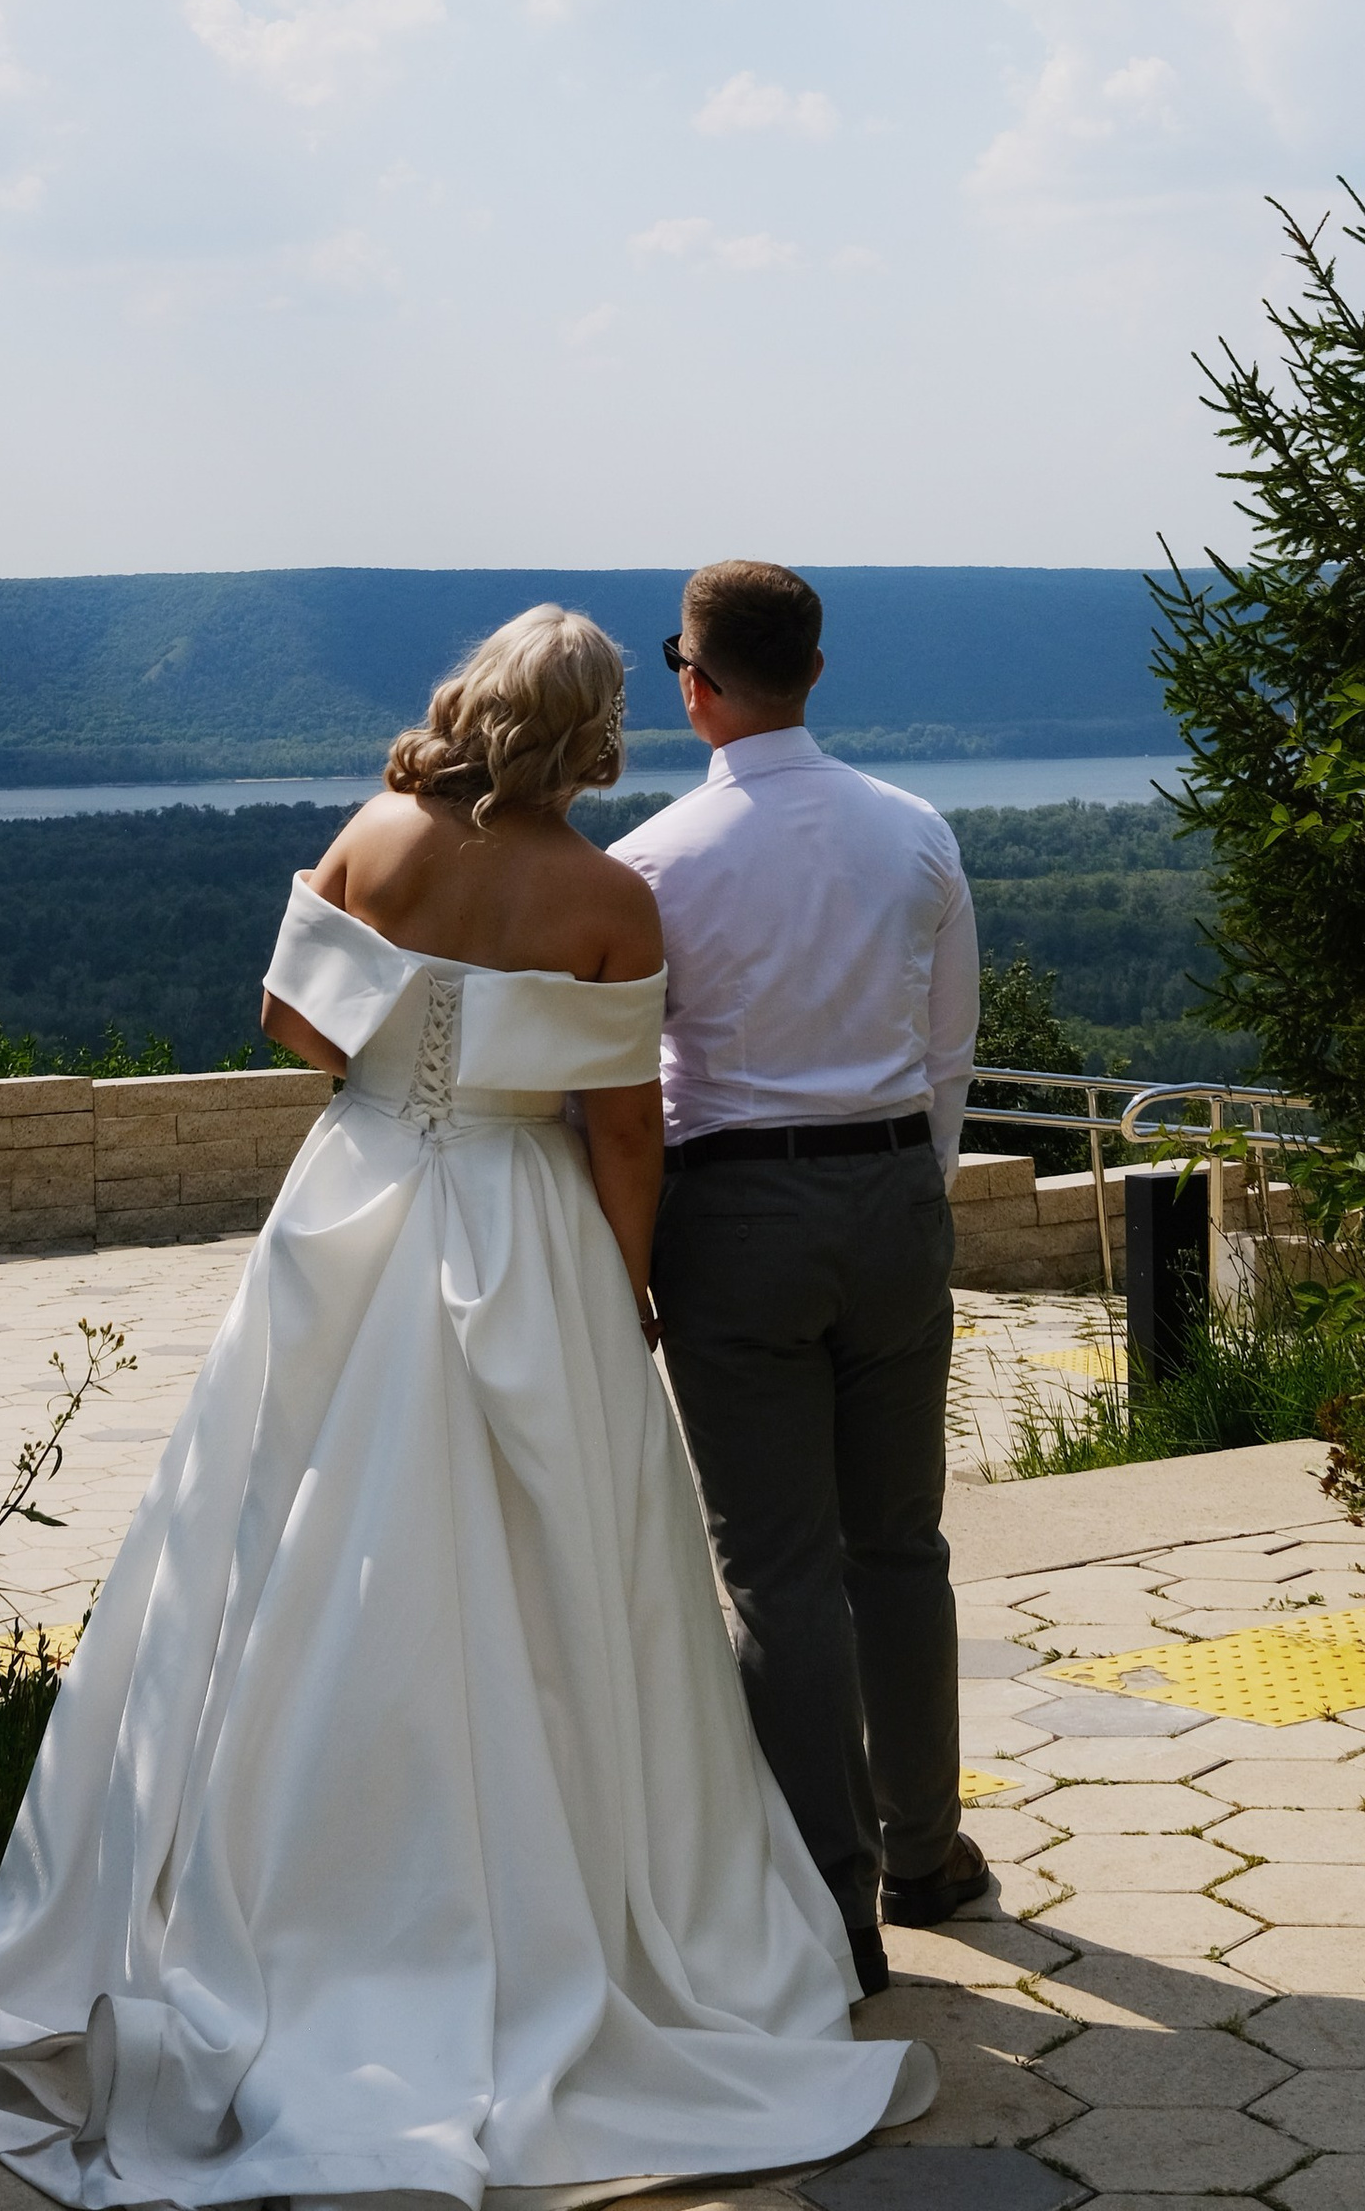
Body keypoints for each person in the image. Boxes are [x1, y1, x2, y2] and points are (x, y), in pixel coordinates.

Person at [0, 604, 935, 2208]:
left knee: (278, 1529)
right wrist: (627, 1290)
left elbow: (291, 1026)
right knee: (559, 1559)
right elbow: (626, 1132)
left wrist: (400, 1082)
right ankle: (556, 1902)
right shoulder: (608, 897)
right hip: (524, 1229)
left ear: (469, 703)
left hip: (354, 1201)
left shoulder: (370, 836)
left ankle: (266, 1880)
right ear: (594, 732)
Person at [611, 562, 989, 1998]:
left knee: (775, 1571)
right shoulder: (917, 832)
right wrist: (913, 1185)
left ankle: (829, 1908)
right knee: (901, 1545)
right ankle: (926, 1848)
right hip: (893, 1190)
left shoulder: (653, 862)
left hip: (734, 1212)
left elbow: (634, 1093)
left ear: (693, 681)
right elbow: (951, 1045)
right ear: (818, 672)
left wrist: (637, 1258)